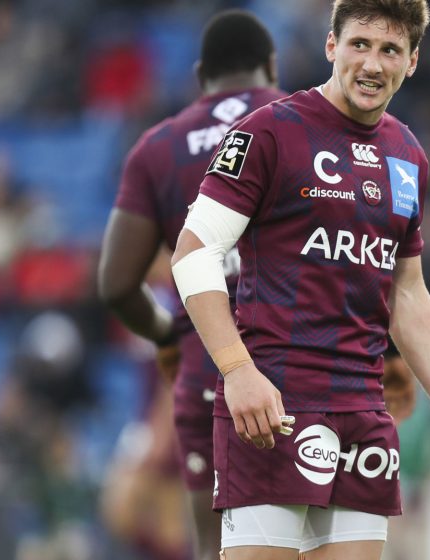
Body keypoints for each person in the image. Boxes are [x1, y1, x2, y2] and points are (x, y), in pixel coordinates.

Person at [170, 1, 430, 559]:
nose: (372, 62)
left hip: (364, 413)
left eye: (389, 50)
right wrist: (237, 370)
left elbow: (406, 290)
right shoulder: (268, 133)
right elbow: (193, 254)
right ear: (331, 46)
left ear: (412, 62)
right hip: (271, 408)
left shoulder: (407, 154)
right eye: (359, 44)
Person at [97, 10, 285, 559]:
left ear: (201, 74)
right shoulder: (307, 121)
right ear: (271, 66)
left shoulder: (156, 147)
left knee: (213, 548)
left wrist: (167, 336)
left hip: (206, 369)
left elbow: (114, 284)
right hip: (303, 359)